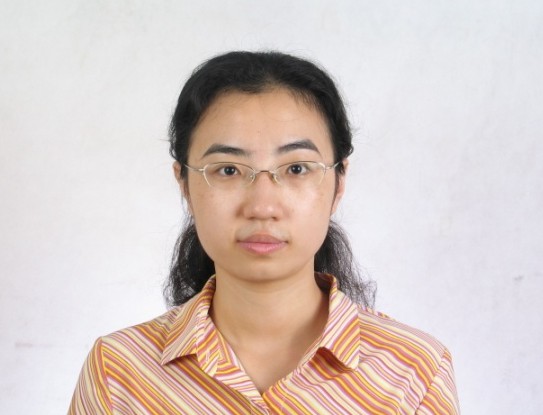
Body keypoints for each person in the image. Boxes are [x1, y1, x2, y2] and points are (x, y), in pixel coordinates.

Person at [69, 51, 460, 414]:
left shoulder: (414, 372)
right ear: (184, 183)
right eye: (227, 170)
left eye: (296, 169)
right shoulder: (119, 371)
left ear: (339, 182)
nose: (262, 206)